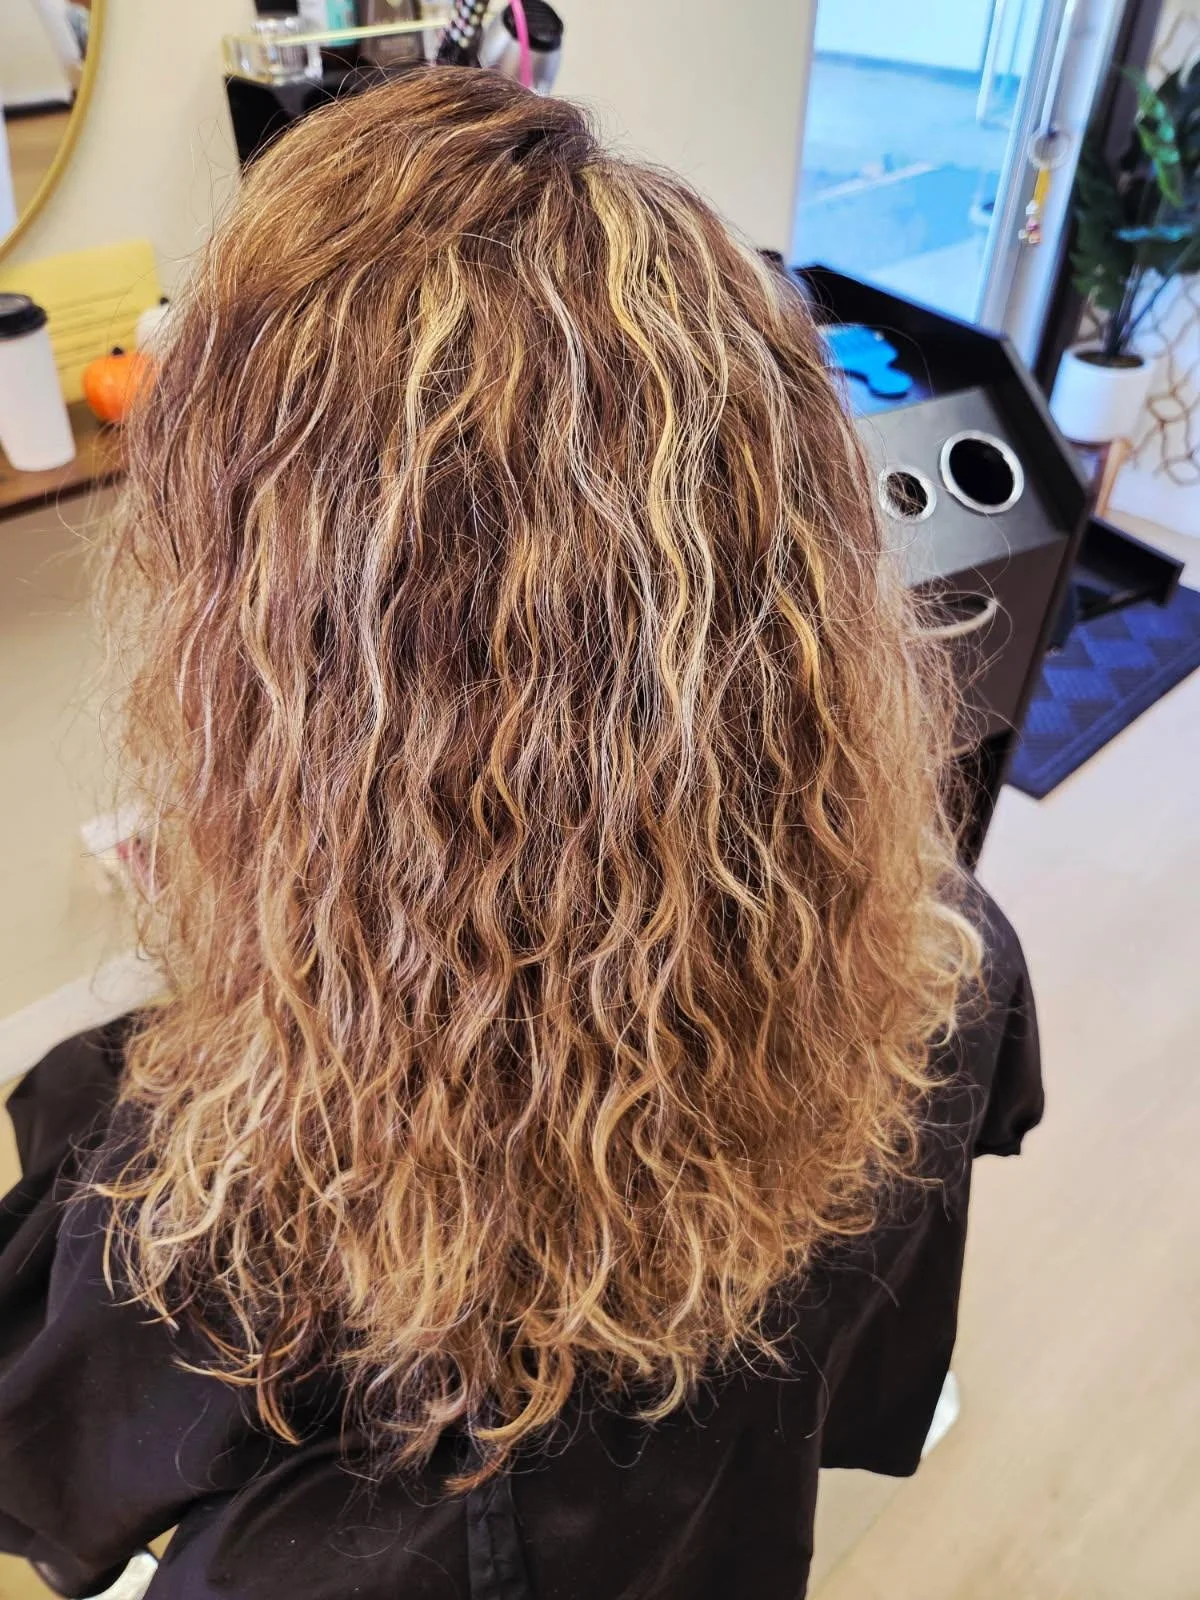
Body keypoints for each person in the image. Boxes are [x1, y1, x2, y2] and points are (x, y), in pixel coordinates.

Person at [0, 68, 1041, 1600]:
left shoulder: (193, 1208)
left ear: (284, 696)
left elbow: (46, 1490)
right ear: (796, 564)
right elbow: (872, 1364)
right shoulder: (950, 972)